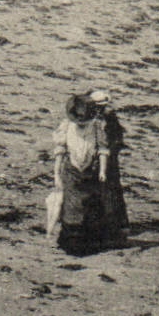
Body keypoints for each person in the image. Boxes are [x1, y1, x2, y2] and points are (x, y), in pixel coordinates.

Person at [51, 93, 108, 254]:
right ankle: (70, 243)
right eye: (79, 121)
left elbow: (103, 150)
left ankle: (88, 242)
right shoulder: (67, 126)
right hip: (71, 171)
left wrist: (102, 170)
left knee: (90, 205)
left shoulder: (96, 127)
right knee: (71, 206)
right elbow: (60, 151)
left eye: (84, 121)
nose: (81, 123)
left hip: (90, 171)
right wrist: (56, 174)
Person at [91, 89, 128, 248]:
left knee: (109, 193)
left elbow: (117, 140)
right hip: (99, 160)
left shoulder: (110, 119)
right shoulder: (94, 119)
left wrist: (108, 154)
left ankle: (114, 229)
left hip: (108, 160)